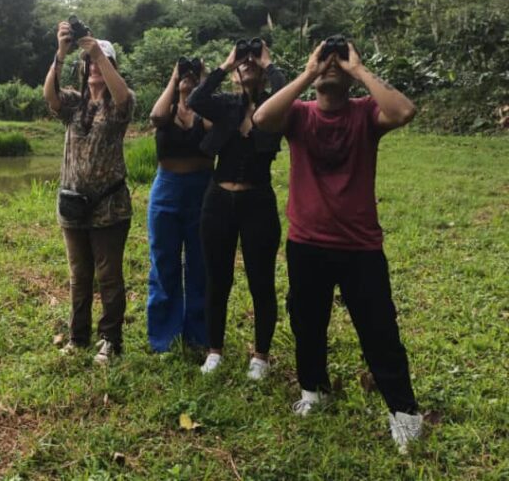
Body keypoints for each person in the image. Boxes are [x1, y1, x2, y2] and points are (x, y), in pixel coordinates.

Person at [253, 40, 423, 453]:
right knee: (307, 322)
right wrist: (309, 72)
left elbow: (404, 112)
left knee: (380, 329)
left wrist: (359, 69)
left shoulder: (365, 112)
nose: (331, 65)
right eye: (324, 58)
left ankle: (405, 413)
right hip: (306, 242)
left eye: (339, 60)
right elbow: (261, 117)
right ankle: (314, 390)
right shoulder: (299, 114)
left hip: (360, 244)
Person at [187, 41, 286, 380]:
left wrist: (269, 63)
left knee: (261, 280)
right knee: (218, 279)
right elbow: (194, 100)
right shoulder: (227, 105)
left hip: (257, 200)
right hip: (218, 200)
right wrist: (226, 65)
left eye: (252, 63)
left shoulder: (274, 107)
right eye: (245, 63)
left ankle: (260, 356)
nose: (248, 65)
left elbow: (288, 95)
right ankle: (214, 350)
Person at [43, 20, 135, 365]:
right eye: (92, 62)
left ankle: (110, 339)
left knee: (108, 275)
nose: (95, 66)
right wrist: (62, 52)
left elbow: (122, 94)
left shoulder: (120, 104)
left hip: (109, 206)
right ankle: (78, 336)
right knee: (79, 276)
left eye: (102, 61)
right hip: (72, 206)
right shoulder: (74, 102)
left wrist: (97, 49)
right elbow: (49, 97)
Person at [146, 58, 213, 352]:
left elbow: (215, 124)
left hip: (203, 189)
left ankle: (199, 335)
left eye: (192, 74)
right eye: (184, 74)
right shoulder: (168, 108)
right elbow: (155, 116)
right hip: (167, 189)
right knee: (164, 262)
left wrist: (206, 82)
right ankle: (164, 337)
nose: (188, 77)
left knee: (201, 264)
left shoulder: (207, 109)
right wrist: (174, 79)